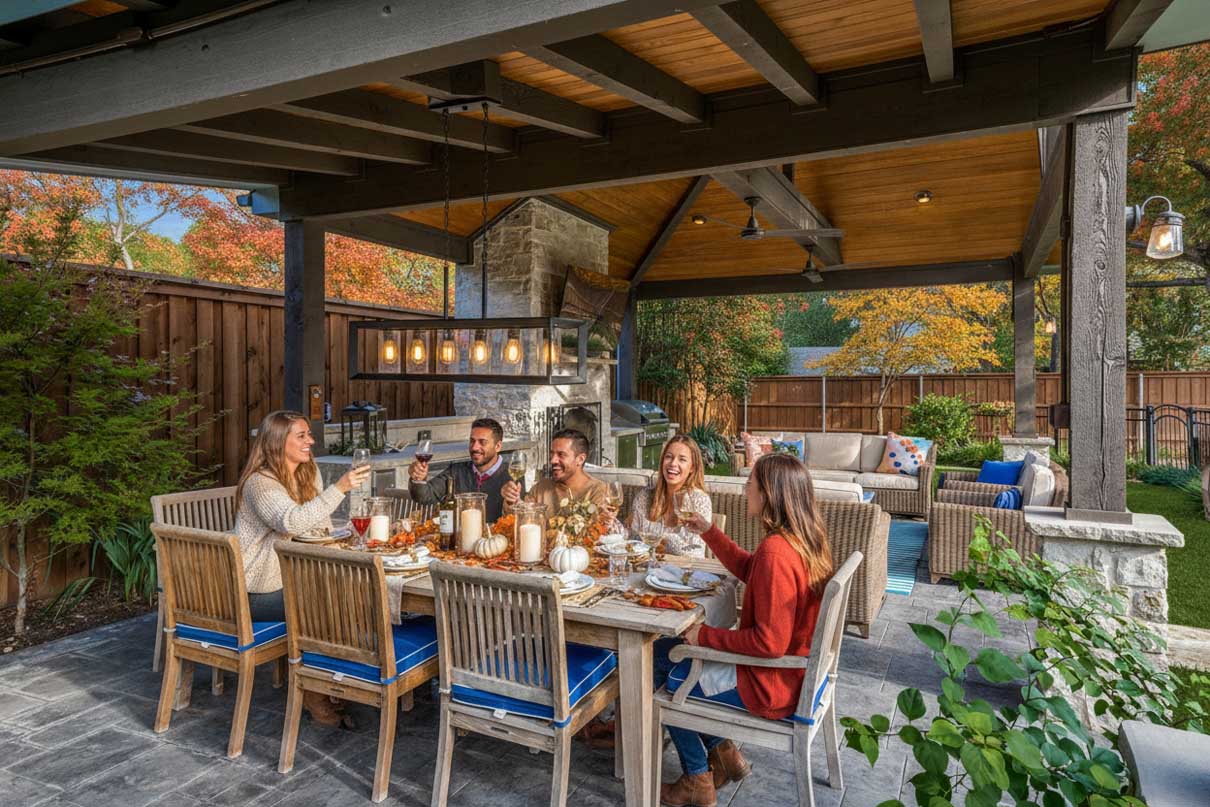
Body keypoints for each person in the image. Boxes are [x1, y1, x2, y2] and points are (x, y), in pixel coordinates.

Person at [656, 453, 834, 807]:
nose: (745, 486)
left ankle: (697, 777)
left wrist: (703, 636)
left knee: (660, 666)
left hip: (769, 684)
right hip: (791, 674)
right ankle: (723, 753)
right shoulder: (800, 541)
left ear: (768, 493)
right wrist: (709, 531)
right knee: (668, 652)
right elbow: (750, 569)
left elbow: (768, 643)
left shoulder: (777, 553)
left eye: (751, 481)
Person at [234, 410, 371, 728]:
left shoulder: (305, 474)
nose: (311, 440)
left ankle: (339, 678)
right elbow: (292, 521)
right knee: (325, 606)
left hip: (291, 578)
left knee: (348, 595)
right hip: (256, 590)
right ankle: (316, 693)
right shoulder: (260, 484)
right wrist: (341, 488)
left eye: (310, 434)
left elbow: (316, 526)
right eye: (302, 435)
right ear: (278, 442)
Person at [408, 417, 523, 522]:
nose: (474, 447)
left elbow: (519, 517)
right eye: (472, 441)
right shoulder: (456, 470)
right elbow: (424, 496)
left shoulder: (511, 476)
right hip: (458, 541)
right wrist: (418, 479)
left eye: (482, 442)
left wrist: (510, 502)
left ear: (498, 446)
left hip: (495, 541)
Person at [627, 434, 713, 557]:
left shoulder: (699, 500)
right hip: (647, 570)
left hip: (685, 573)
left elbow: (695, 552)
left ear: (692, 468)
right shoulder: (644, 496)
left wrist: (660, 538)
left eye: (682, 459)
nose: (673, 463)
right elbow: (632, 540)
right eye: (669, 457)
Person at [525, 428, 615, 521]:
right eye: (552, 454)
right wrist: (511, 503)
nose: (552, 460)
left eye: (561, 454)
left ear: (580, 459)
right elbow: (524, 520)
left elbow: (599, 529)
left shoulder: (599, 491)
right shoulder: (541, 488)